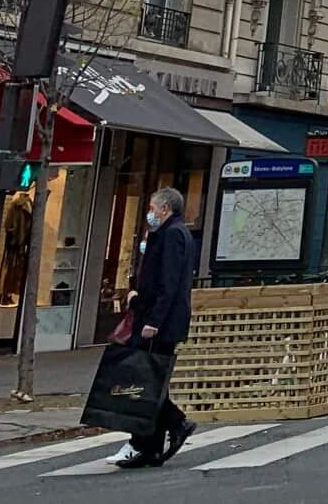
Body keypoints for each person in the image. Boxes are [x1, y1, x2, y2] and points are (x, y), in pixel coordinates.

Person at [108, 187, 195, 470]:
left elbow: (166, 284)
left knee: (146, 382)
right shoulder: (175, 233)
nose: (150, 213)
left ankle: (175, 423)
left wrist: (152, 321)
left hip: (159, 323)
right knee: (151, 380)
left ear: (165, 209)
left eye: (153, 208)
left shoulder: (171, 235)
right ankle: (151, 447)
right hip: (161, 320)